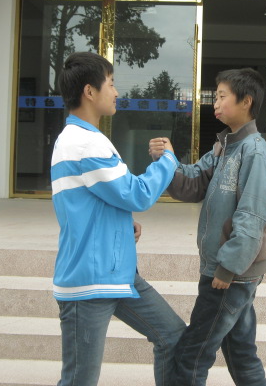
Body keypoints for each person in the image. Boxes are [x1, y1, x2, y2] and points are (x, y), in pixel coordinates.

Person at [50, 51, 185, 386]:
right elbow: (137, 194)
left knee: (172, 335)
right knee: (79, 380)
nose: (116, 92)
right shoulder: (85, 144)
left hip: (116, 275)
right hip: (90, 282)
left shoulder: (79, 139)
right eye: (110, 84)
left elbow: (95, 201)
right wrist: (168, 160)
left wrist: (120, 225)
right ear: (89, 91)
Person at [151, 67, 266, 386]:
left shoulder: (254, 152)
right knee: (240, 352)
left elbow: (252, 217)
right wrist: (167, 160)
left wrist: (227, 269)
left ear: (246, 101)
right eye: (216, 96)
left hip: (230, 275)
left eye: (223, 96)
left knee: (192, 356)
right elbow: (193, 183)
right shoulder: (226, 146)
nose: (216, 102)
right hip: (228, 269)